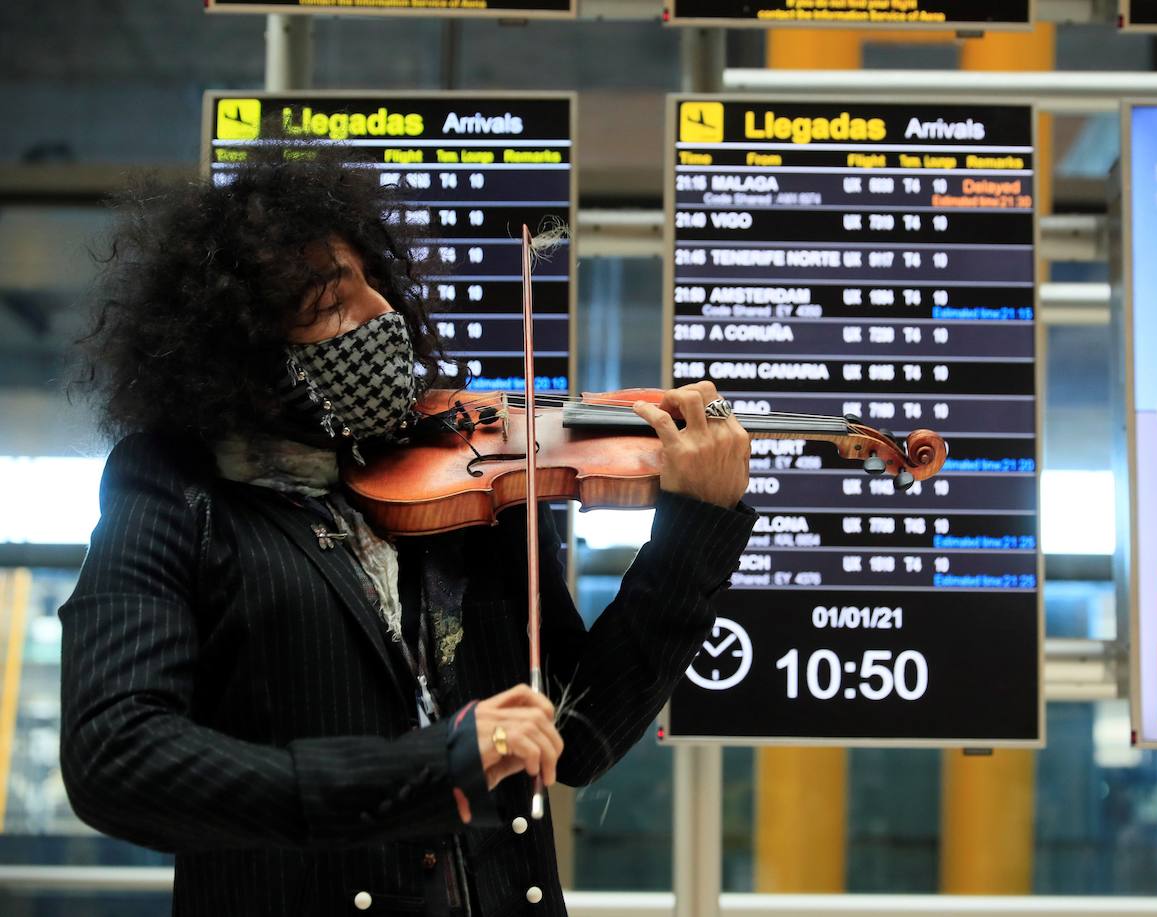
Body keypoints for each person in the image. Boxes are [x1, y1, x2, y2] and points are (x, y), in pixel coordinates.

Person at [59, 155, 756, 916]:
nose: (378, 314)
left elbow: (577, 734)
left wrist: (696, 528)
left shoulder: (469, 477)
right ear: (249, 358)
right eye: (330, 302)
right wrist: (431, 767)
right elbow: (115, 756)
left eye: (369, 279)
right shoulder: (176, 487)